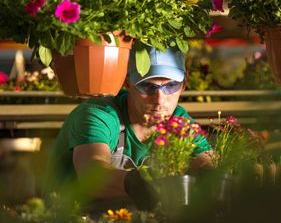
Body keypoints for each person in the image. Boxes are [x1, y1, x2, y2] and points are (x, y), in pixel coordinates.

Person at [46, 45, 213, 210]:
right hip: (68, 222)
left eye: (171, 86)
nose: (160, 99)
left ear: (184, 83)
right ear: (126, 82)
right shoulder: (99, 115)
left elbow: (208, 165)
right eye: (147, 86)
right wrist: (135, 183)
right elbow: (92, 175)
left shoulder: (179, 122)